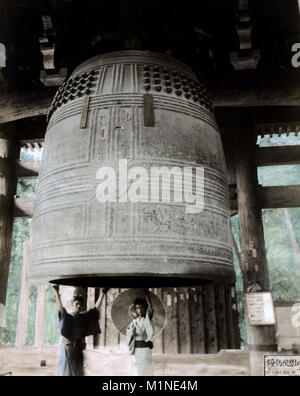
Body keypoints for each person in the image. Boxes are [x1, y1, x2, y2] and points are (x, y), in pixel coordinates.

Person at [53, 285, 108, 376]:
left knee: (78, 372)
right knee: (66, 372)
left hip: (78, 349)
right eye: (76, 304)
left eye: (80, 304)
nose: (78, 306)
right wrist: (57, 293)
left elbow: (94, 310)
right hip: (67, 348)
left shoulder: (83, 317)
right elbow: (60, 307)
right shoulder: (67, 316)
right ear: (72, 305)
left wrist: (102, 294)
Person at [126, 289, 154, 376]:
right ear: (135, 309)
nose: (140, 309)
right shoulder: (134, 322)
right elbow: (129, 335)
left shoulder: (147, 319)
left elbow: (151, 309)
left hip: (145, 349)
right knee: (137, 371)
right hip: (137, 350)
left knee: (146, 370)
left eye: (142, 307)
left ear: (145, 308)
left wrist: (147, 294)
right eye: (137, 307)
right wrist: (132, 334)